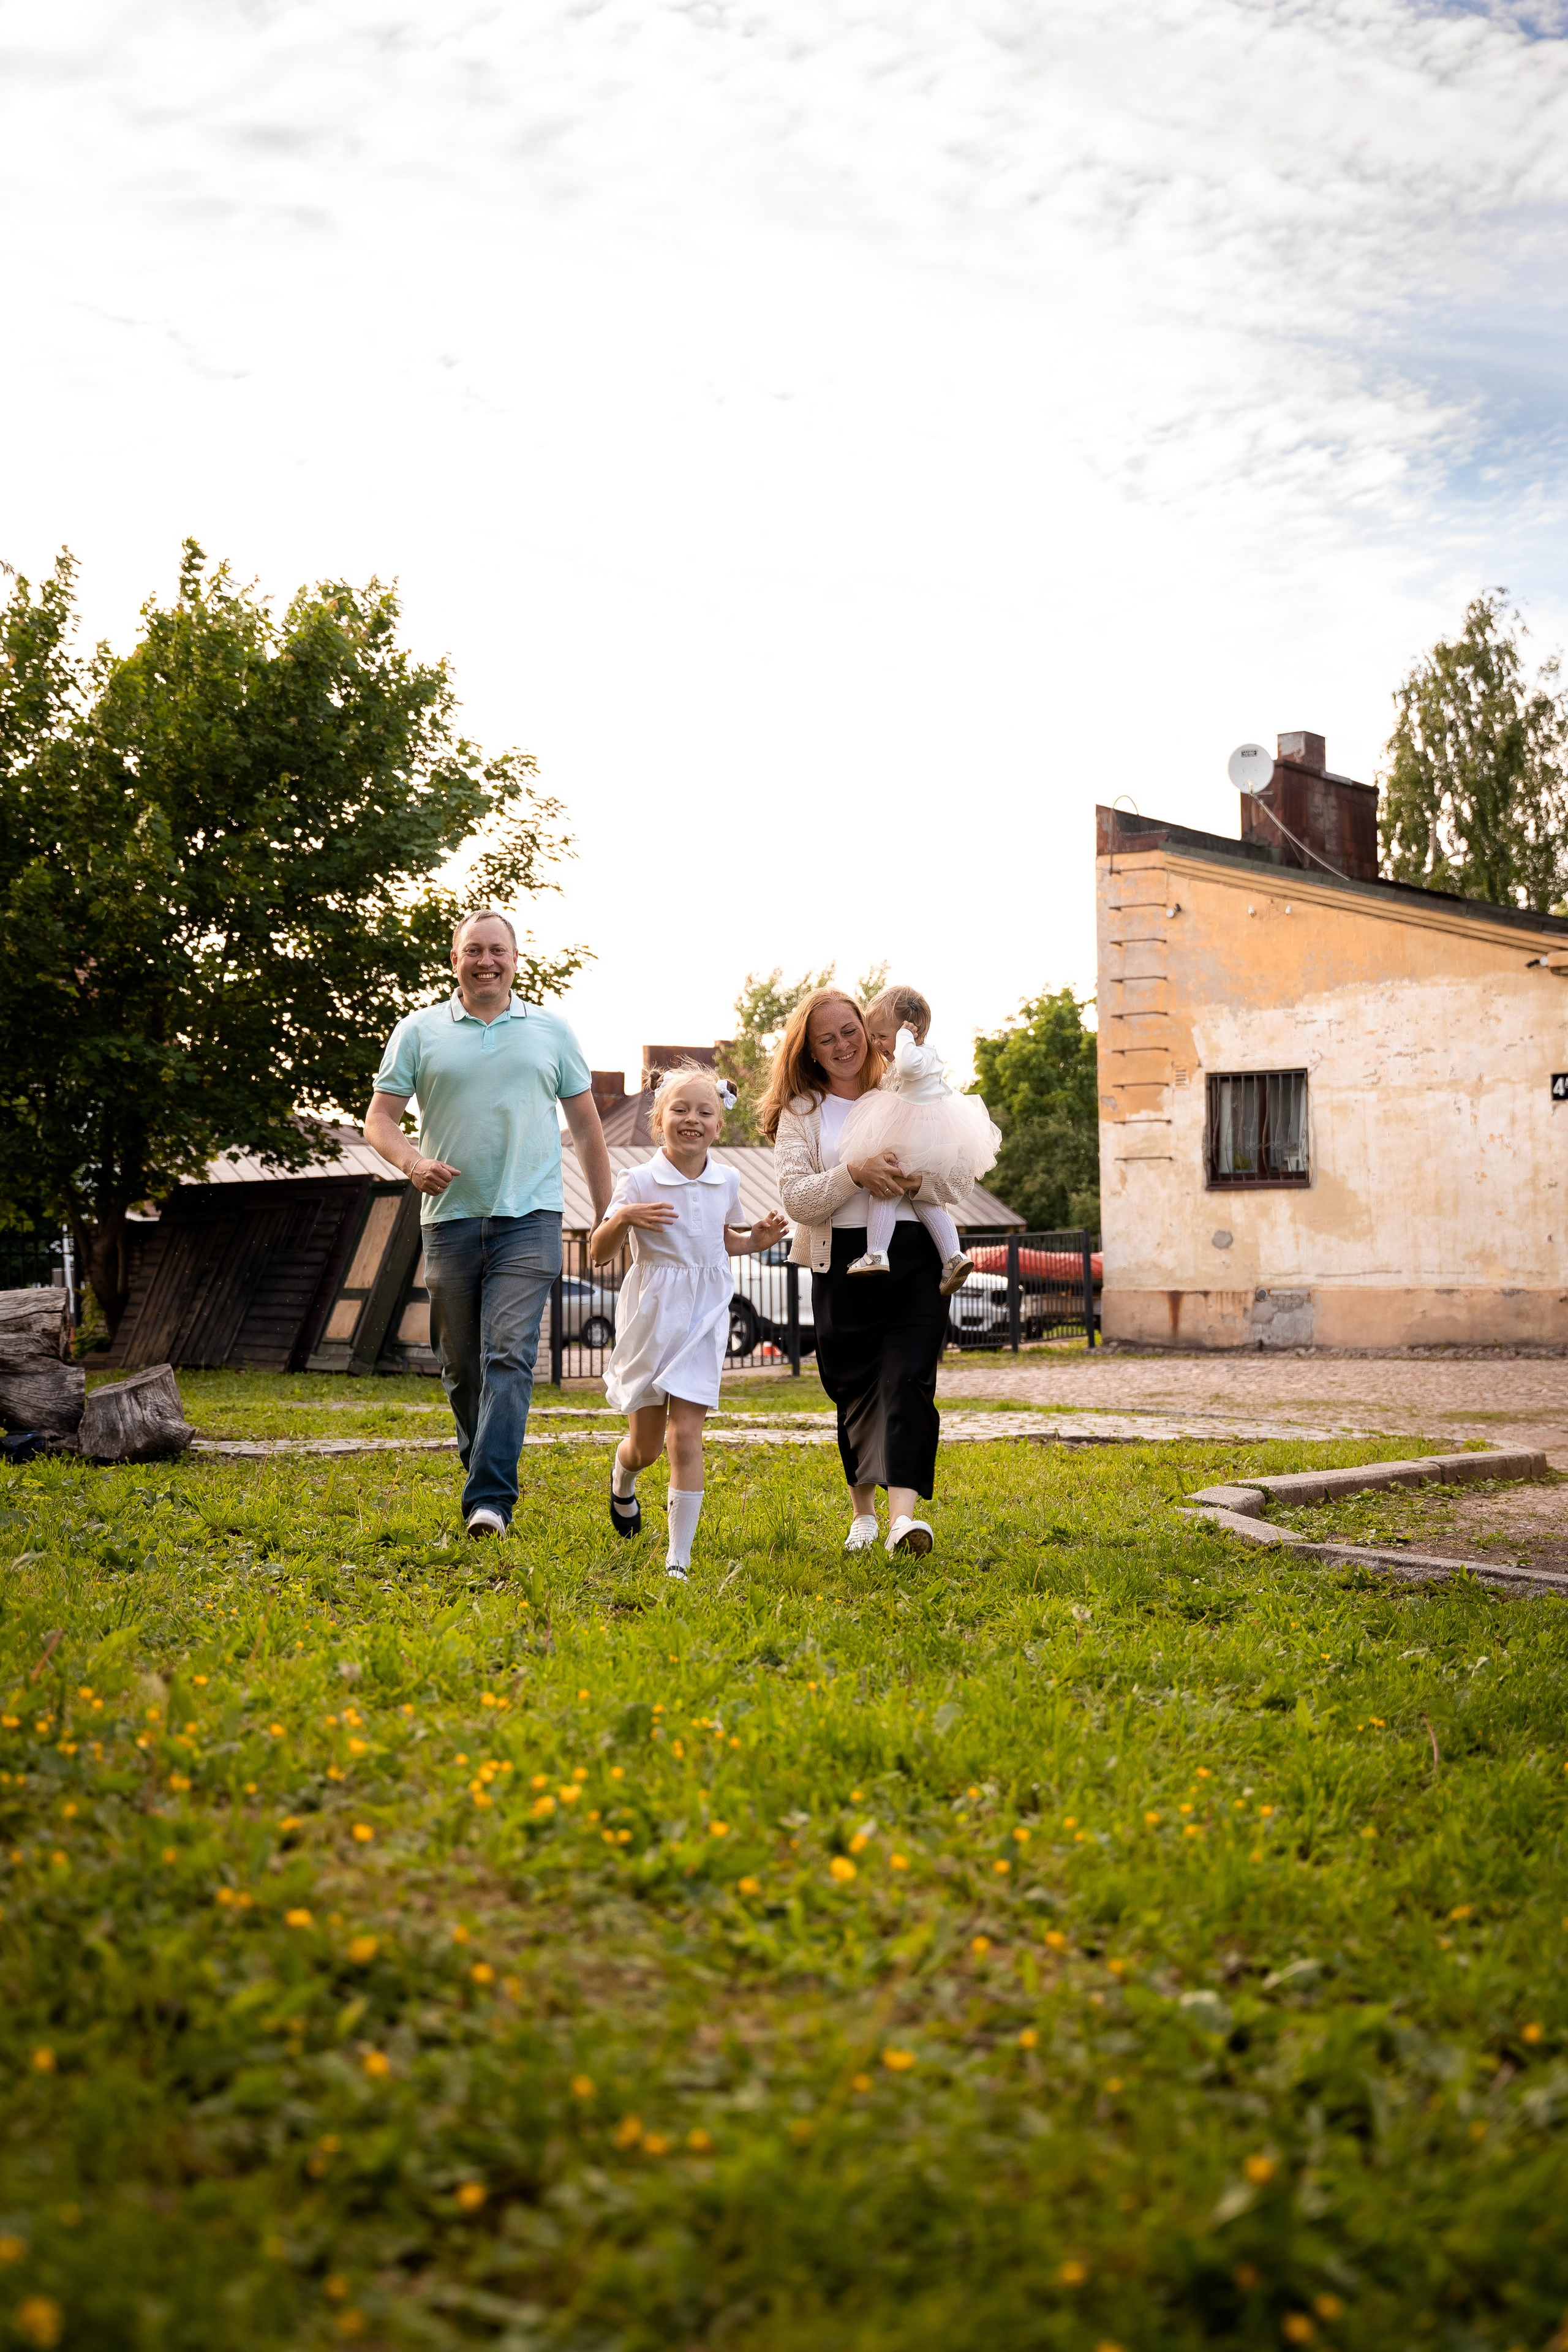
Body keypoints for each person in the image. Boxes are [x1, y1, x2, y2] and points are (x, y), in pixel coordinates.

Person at [364, 909, 612, 1539]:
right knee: (459, 1363)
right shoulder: (419, 1032)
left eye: (497, 950)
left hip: (529, 1218)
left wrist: (607, 1215)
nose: (486, 961)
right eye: (473, 950)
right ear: (455, 961)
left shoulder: (550, 1031)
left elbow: (586, 1128)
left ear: (515, 959)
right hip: (448, 1220)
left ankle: (490, 1501)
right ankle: (482, 1462)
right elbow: (380, 1121)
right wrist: (413, 1163)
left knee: (508, 1354)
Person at [761, 987, 964, 1558]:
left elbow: (958, 1181)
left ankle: (905, 1521)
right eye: (826, 1039)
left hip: (915, 1256)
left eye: (850, 1031)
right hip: (842, 1263)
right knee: (851, 1388)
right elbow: (798, 1200)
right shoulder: (801, 1114)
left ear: (868, 1030)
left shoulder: (903, 1090)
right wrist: (855, 1172)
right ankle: (865, 1516)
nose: (843, 1045)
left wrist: (913, 1183)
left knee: (908, 1381)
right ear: (810, 1051)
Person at [590, 1065, 787, 1578]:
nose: (692, 1120)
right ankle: (623, 1477)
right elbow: (597, 1252)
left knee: (686, 1437)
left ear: (719, 1125)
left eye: (704, 1112)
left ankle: (678, 1559)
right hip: (653, 1318)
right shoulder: (638, 1180)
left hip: (704, 1315)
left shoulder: (729, 1179)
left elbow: (725, 1240)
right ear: (659, 1120)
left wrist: (756, 1242)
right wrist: (625, 1218)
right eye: (680, 1110)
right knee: (647, 1448)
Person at [837, 983, 1000, 1294]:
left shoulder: (915, 1056)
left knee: (885, 1191)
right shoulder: (920, 1056)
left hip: (911, 1132)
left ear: (911, 1034)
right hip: (924, 1134)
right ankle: (952, 1256)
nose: (875, 1043)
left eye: (882, 1036)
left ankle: (876, 1252)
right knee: (925, 1198)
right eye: (874, 1036)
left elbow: (908, 1067)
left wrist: (903, 1040)